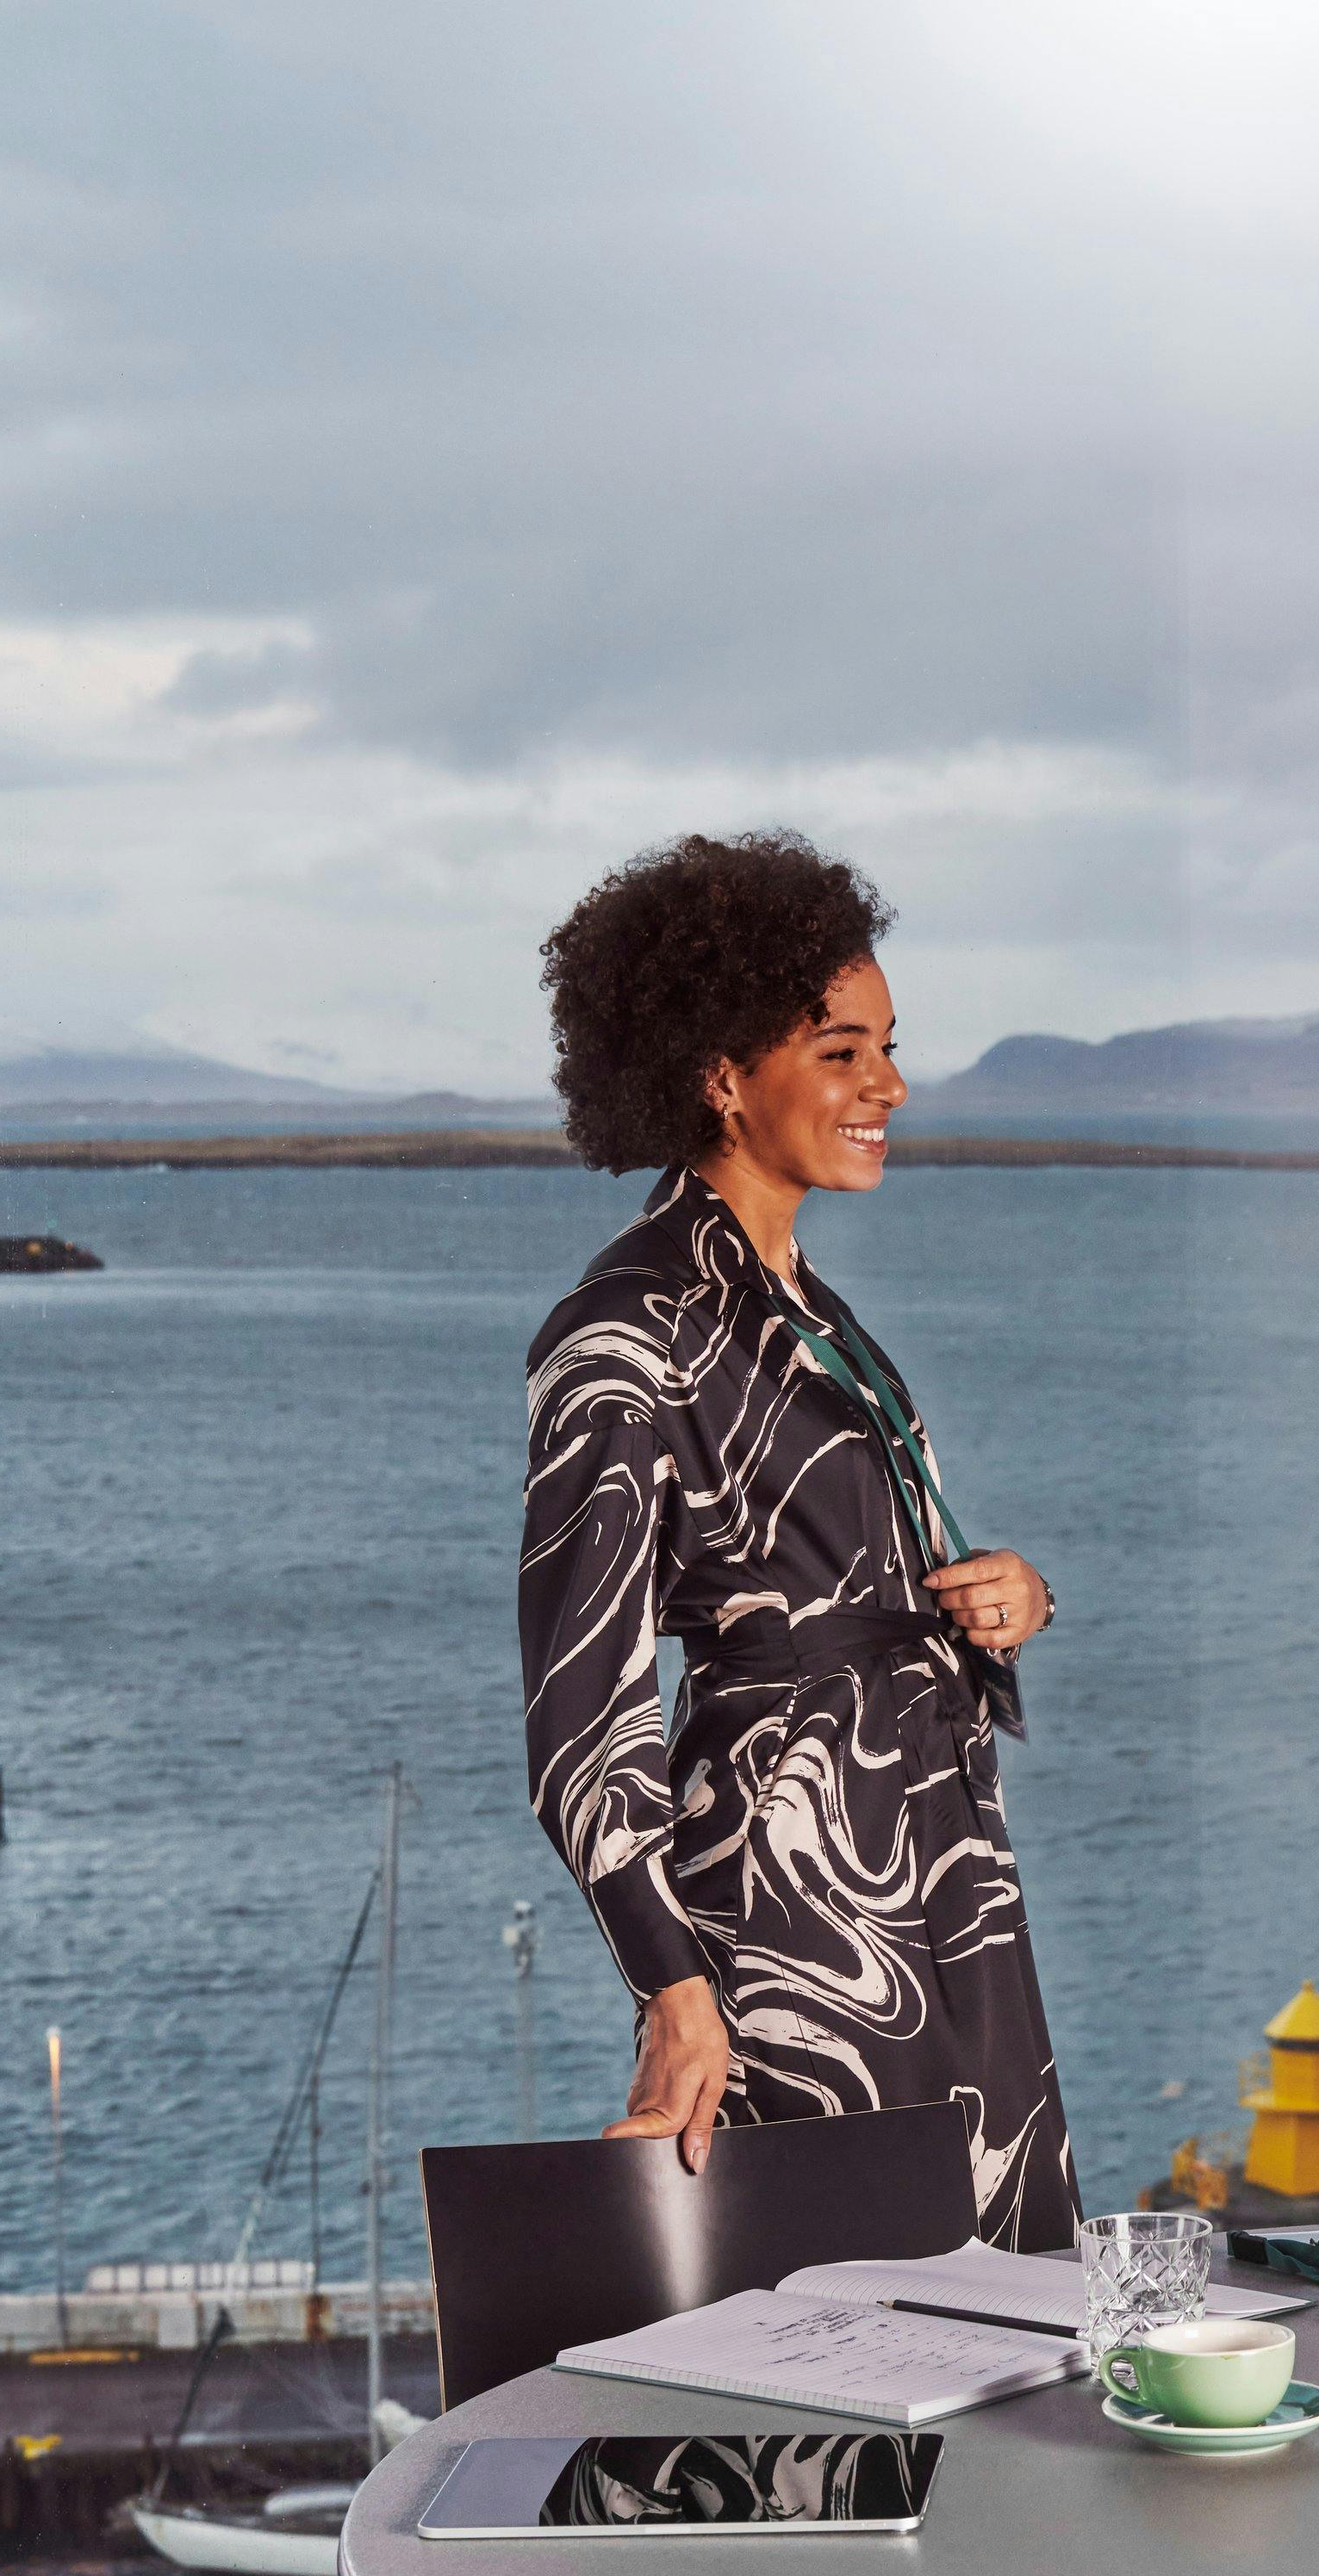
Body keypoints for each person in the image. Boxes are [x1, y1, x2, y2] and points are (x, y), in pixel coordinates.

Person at [516, 830, 1078, 2245]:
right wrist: (672, 1989)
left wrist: (998, 1600)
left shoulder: (810, 1310)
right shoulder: (623, 1334)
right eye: (841, 1052)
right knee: (855, 2347)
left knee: (996, 2313)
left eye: (888, 1046)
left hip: (938, 1868)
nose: (888, 1085)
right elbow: (582, 1716)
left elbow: (847, 1572)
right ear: (720, 1072)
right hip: (798, 1906)